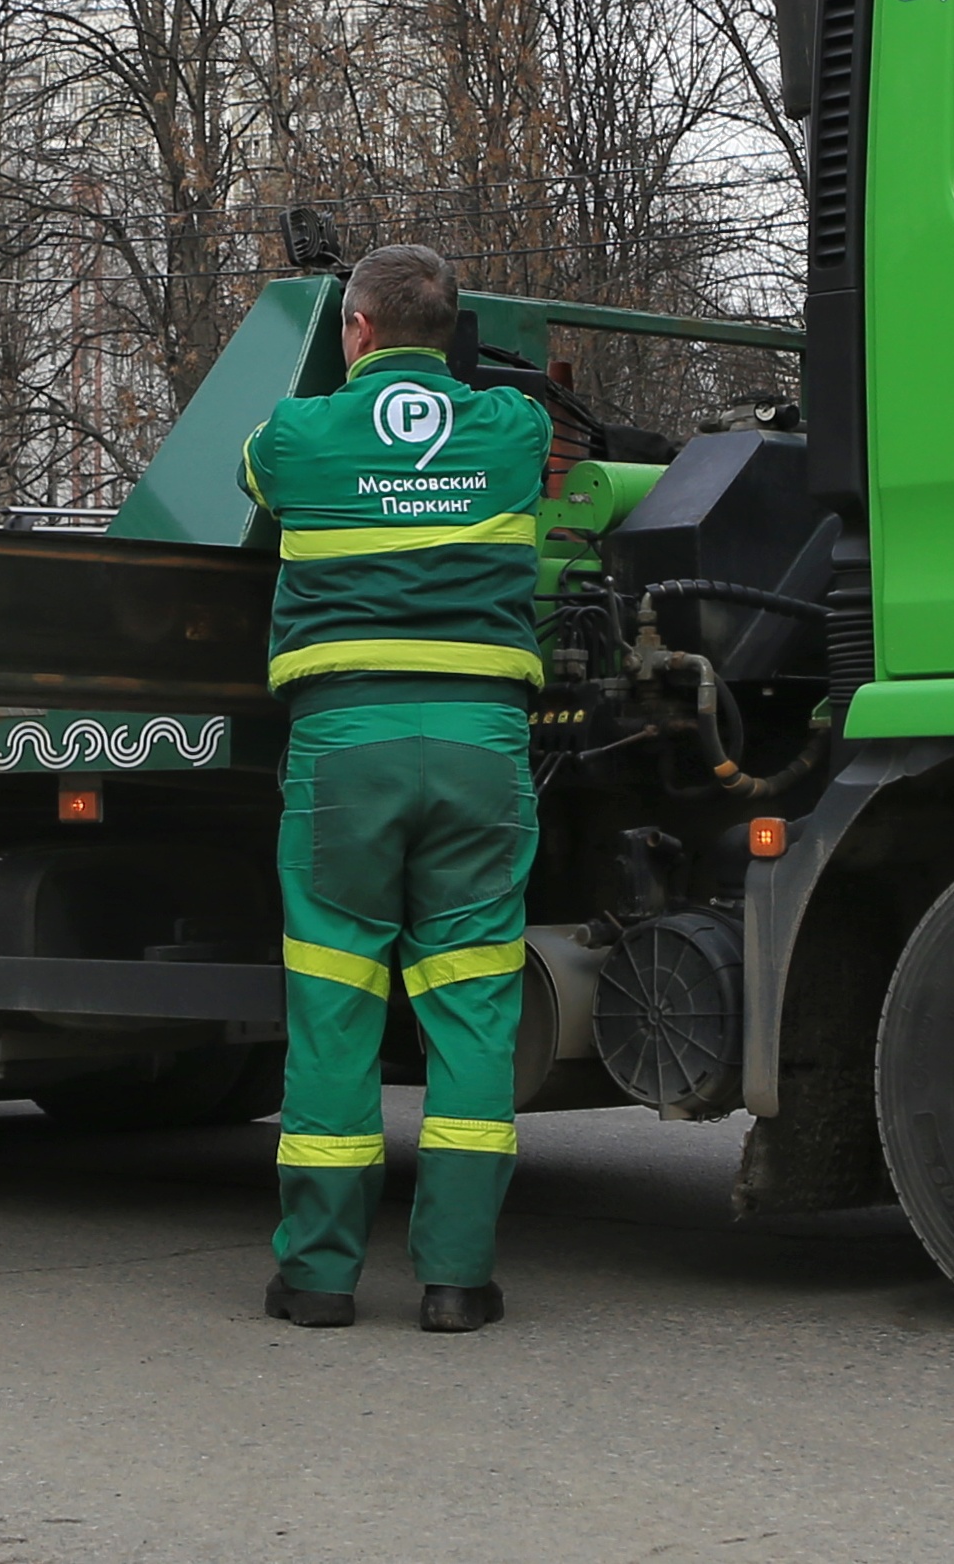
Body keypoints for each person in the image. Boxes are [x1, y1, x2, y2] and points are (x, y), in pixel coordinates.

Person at [242, 242, 549, 1334]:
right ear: (450, 333)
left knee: (335, 1006)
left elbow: (250, 481)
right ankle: (458, 1281)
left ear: (355, 331)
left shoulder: (295, 435)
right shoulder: (515, 433)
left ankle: (319, 1278)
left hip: (347, 746)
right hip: (480, 745)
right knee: (469, 1006)